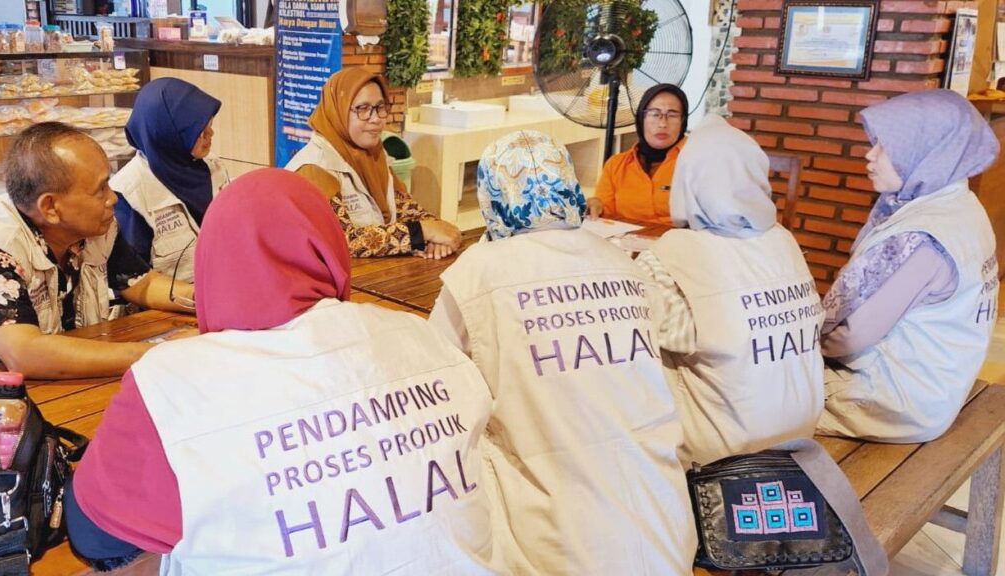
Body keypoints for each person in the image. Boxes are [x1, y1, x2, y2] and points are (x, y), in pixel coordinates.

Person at [65, 168, 502, 574]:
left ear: (213, 261)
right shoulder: (421, 336)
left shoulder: (170, 382)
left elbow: (96, 538)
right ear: (329, 245)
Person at [429, 130, 695, 574]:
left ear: (493, 195)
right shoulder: (621, 261)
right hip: (663, 522)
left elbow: (437, 376)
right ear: (569, 185)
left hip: (555, 541)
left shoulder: (478, 272)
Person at [635, 114, 824, 467]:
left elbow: (639, 341)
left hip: (723, 453)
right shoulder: (783, 240)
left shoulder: (675, 254)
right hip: (801, 434)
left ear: (688, 181)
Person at [819, 89, 1000, 443]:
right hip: (937, 386)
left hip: (892, 402)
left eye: (886, 147)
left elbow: (849, 335)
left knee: (748, 396)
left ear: (927, 152)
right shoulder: (961, 206)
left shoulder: (919, 236)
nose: (870, 155)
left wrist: (803, 347)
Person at [0, 122, 195, 379]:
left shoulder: (95, 228)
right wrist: (161, 353)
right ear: (50, 207)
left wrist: (210, 301)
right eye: (100, 189)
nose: (113, 198)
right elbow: (25, 354)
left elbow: (140, 282)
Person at [287, 68, 462, 259]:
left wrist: (437, 234)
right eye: (362, 108)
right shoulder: (313, 168)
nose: (376, 118)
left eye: (380, 107)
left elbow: (407, 209)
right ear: (337, 112)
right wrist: (422, 232)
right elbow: (342, 240)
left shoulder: (373, 156)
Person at [112, 77, 228, 283]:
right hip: (175, 300)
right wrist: (199, 296)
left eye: (210, 125)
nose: (211, 134)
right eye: (200, 131)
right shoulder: (129, 193)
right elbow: (133, 280)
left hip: (224, 289)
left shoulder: (213, 167)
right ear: (168, 133)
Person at [587, 83, 688, 225]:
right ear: (641, 119)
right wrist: (596, 206)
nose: (663, 124)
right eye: (655, 114)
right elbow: (605, 215)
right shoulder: (616, 165)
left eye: (672, 115)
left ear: (683, 121)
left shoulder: (697, 162)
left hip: (680, 239)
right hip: (625, 238)